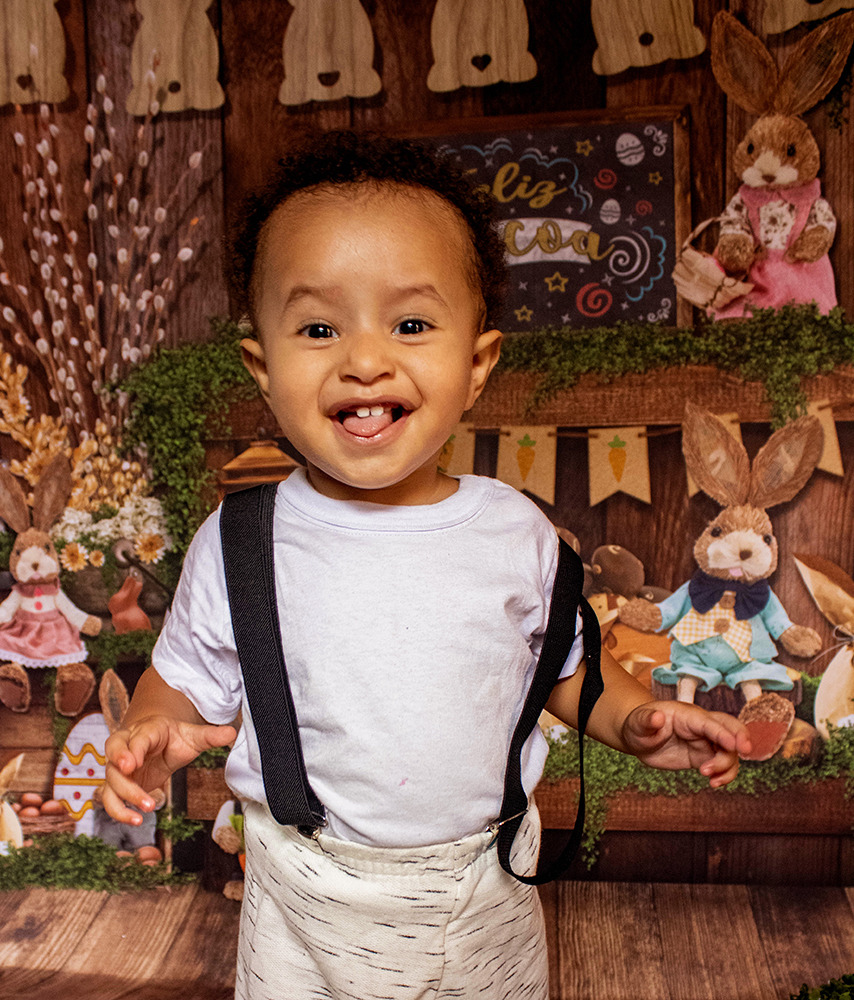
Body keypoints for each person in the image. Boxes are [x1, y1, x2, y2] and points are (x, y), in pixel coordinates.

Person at [103, 130, 751, 999]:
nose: (365, 360)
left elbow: (560, 671)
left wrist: (634, 720)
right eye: (319, 328)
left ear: (476, 364)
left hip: (484, 890)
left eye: (410, 324)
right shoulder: (242, 541)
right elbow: (185, 678)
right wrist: (154, 724)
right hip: (302, 898)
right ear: (263, 367)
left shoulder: (515, 533)